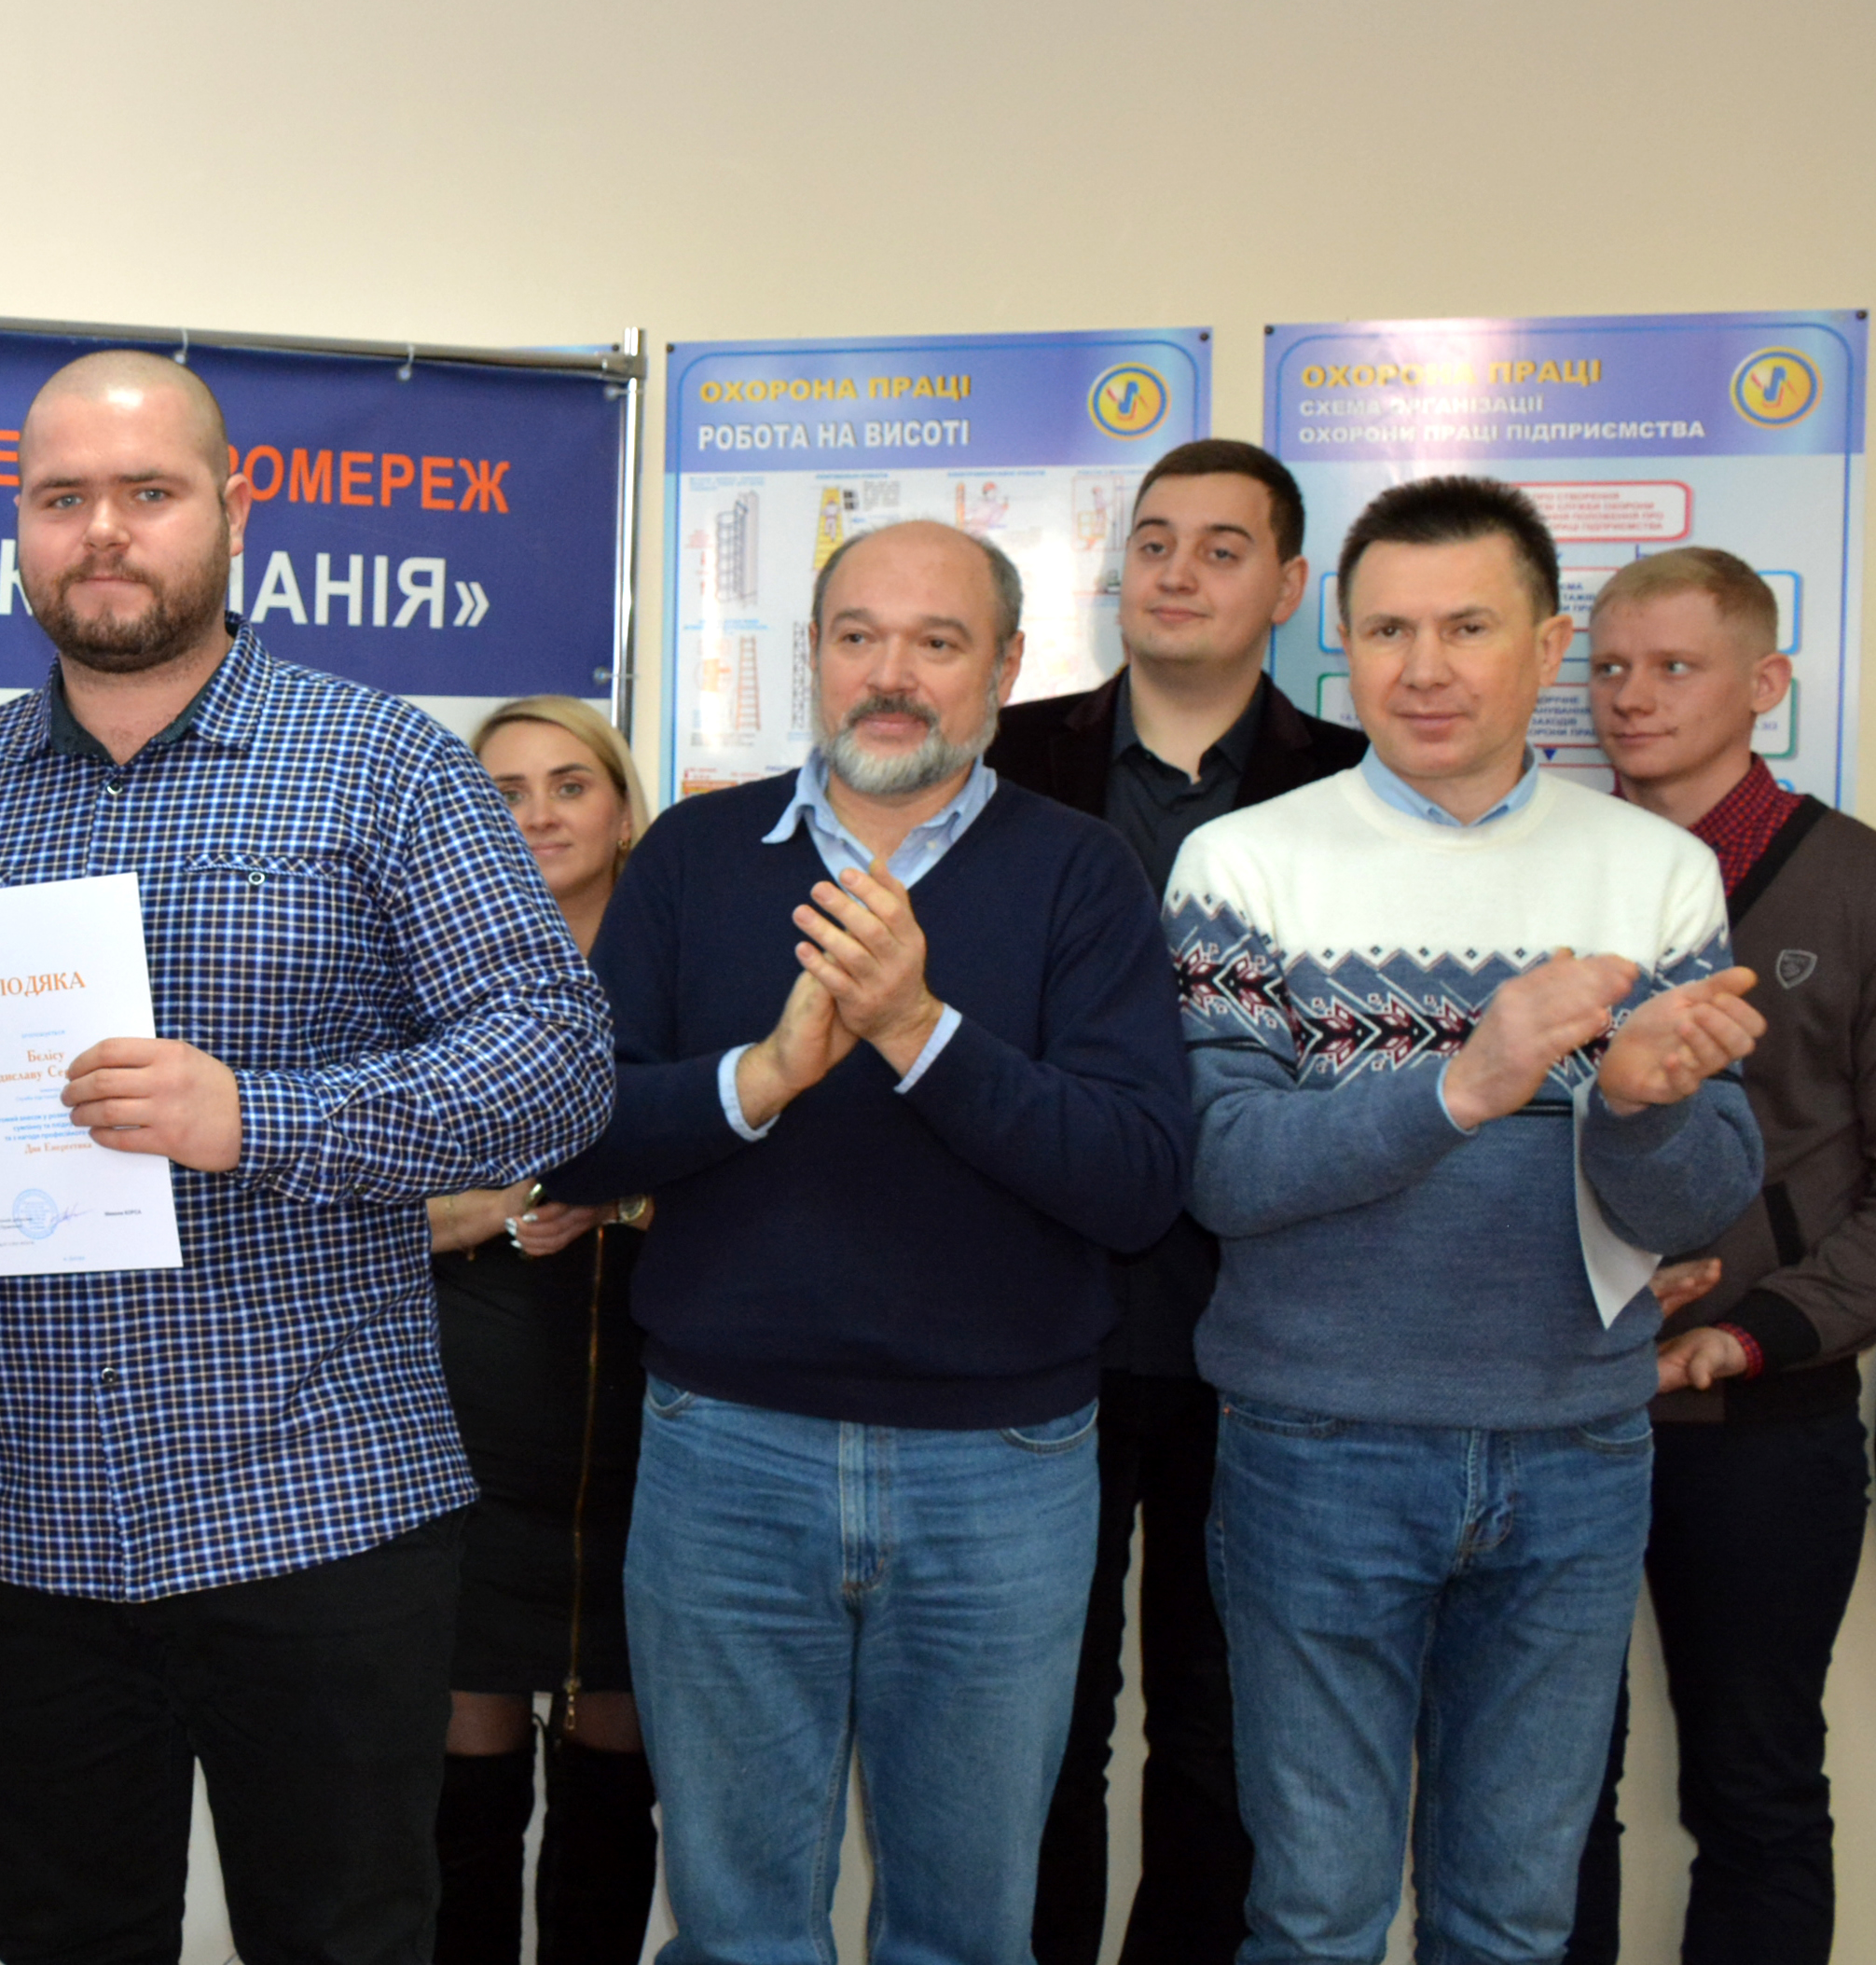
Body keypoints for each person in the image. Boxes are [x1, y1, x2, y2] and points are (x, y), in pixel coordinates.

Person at [0, 350, 614, 1965]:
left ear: (232, 510)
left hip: (320, 1519)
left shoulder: (387, 767)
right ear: (20, 526)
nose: (102, 531)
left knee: (347, 1942)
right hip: (15, 1526)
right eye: (60, 497)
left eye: (147, 492)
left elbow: (553, 1064)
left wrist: (257, 1118)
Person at [544, 517, 1195, 1963]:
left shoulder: (1082, 875)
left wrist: (918, 1030)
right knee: (734, 1931)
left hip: (1001, 1472)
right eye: (857, 637)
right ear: (811, 658)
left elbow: (1139, 1181)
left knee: (963, 1931)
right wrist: (761, 1078)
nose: (890, 675)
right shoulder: (697, 856)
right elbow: (577, 1135)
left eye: (936, 642)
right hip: (725, 1454)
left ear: (1006, 669)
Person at [1165, 477, 1767, 1965]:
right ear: (1342, 647)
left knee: (1513, 1919)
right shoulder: (1244, 863)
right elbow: (1223, 1168)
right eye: (1387, 631)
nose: (1423, 668)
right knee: (1314, 1914)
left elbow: (1701, 1199)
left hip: (1576, 1448)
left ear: (1547, 646)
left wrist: (1637, 1105)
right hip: (1318, 1445)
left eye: (1468, 628)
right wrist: (1468, 1082)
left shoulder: (1656, 872)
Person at [984, 440, 1365, 1965]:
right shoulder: (1002, 757)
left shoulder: (1359, 785)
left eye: (1223, 546)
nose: (1179, 572)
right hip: (1036, 1324)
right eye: (1155, 541)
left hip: (1267, 1330)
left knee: (1222, 1737)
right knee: (1036, 1732)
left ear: (1288, 585)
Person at [1565, 547, 1876, 1965]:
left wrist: (1750, 1334)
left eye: (1676, 667)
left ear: (1767, 684)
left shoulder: (1855, 885)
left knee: (1755, 1790)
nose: (1632, 697)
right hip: (1555, 1413)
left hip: (1765, 1427)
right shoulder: (1553, 874)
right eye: (1611, 668)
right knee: (1547, 1794)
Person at [425, 695, 658, 1965]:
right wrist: (495, 1210)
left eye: (570, 785)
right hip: (467, 1430)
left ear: (622, 810)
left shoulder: (686, 968)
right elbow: (341, 1204)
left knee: (614, 1797)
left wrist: (626, 1197)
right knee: (461, 1804)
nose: (539, 815)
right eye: (505, 793)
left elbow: (764, 1163)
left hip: (652, 1431)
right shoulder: (416, 973)